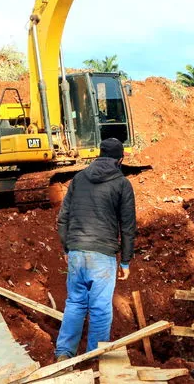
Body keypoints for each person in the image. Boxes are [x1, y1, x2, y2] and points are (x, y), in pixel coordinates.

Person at [54, 137, 136, 361]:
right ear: (120, 159)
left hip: (77, 251)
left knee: (75, 302)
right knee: (100, 308)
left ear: (99, 155)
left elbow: (63, 218)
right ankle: (93, 358)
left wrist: (66, 249)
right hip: (102, 254)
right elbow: (127, 226)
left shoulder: (79, 178)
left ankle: (63, 352)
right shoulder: (122, 184)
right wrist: (126, 261)